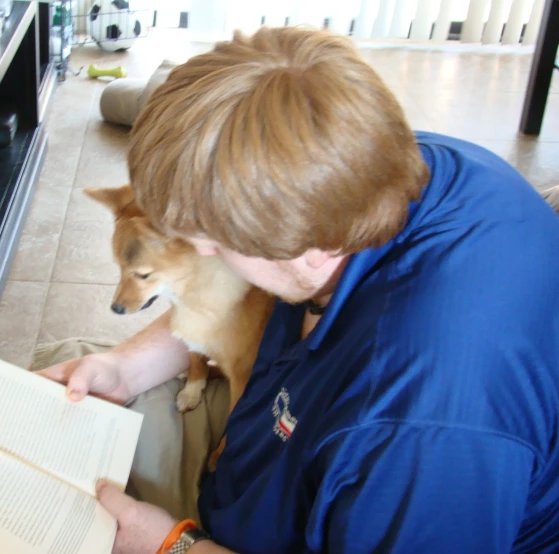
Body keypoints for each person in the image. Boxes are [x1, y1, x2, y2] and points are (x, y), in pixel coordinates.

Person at [38, 26, 559, 553]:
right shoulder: (373, 162)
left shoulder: (420, 426)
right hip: (274, 437)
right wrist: (126, 367)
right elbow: (223, 295)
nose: (202, 254)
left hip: (301, 511)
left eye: (213, 241)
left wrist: (171, 545)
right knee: (70, 374)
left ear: (303, 246)